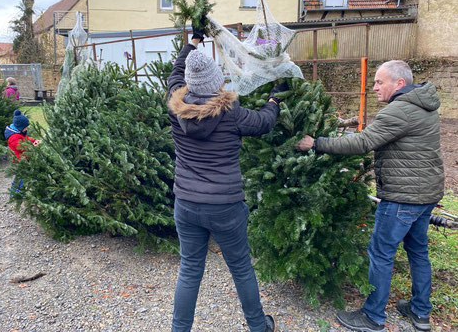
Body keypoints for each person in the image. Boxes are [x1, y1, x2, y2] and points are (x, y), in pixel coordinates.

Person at [296, 60, 444, 332]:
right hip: (426, 195)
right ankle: (420, 312)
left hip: (402, 197)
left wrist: (316, 143)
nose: (373, 87)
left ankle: (373, 316)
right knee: (418, 252)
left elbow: (362, 142)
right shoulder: (425, 106)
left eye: (379, 82)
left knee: (380, 252)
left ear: (399, 83)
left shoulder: (399, 111)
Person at [167, 26, 288, 332]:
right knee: (241, 268)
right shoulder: (230, 112)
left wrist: (192, 42)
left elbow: (176, 71)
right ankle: (259, 327)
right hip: (225, 207)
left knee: (190, 269)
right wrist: (275, 99)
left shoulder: (174, 106)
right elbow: (263, 123)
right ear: (214, 82)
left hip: (186, 203)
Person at [4, 110, 40, 194]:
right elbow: (21, 147)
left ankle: (19, 192)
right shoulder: (14, 137)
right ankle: (15, 193)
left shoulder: (20, 133)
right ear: (20, 127)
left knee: (22, 177)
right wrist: (32, 146)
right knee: (20, 177)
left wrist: (33, 140)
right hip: (18, 161)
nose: (26, 129)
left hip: (23, 159)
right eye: (25, 128)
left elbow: (26, 139)